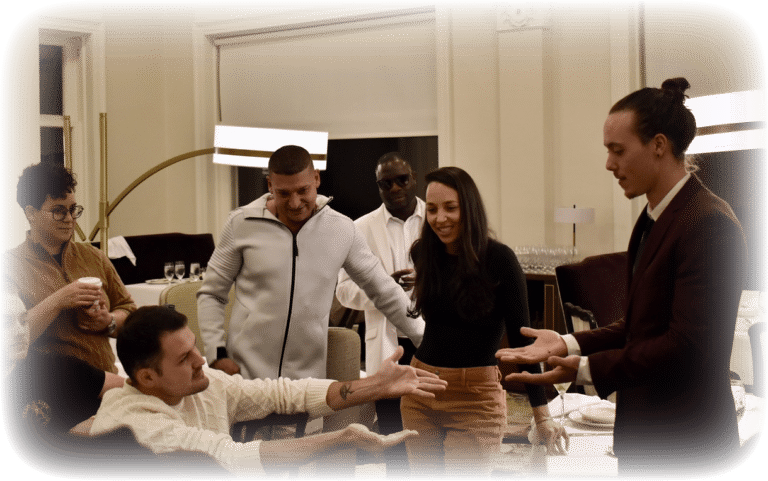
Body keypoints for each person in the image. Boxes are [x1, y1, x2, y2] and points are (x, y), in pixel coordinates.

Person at [496, 78, 748, 478]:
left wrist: (583, 368)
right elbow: (638, 327)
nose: (609, 164)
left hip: (686, 444)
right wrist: (566, 340)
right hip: (645, 436)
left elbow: (686, 347)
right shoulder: (652, 217)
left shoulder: (708, 223)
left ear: (659, 146)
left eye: (618, 150)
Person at [90, 305, 447, 478]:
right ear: (147, 378)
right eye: (185, 357)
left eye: (195, 347)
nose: (202, 361)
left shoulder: (200, 383)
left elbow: (282, 393)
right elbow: (231, 458)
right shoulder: (134, 428)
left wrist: (376, 385)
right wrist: (342, 438)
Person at [198, 145, 424, 382]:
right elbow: (212, 293)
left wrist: (426, 341)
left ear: (316, 179)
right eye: (283, 193)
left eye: (302, 190)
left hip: (308, 382)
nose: (295, 203)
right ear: (270, 186)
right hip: (244, 376)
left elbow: (385, 292)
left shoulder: (341, 229)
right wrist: (216, 353)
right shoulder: (240, 223)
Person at [400, 166, 568, 479]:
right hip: (420, 390)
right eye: (432, 209)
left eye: (451, 208)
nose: (440, 218)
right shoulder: (423, 252)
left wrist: (542, 415)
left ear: (469, 208)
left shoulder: (500, 259)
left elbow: (523, 341)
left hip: (475, 398)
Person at [336, 152, 425, 478]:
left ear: (413, 176)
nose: (396, 188)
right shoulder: (360, 228)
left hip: (433, 336)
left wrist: (429, 281)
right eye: (386, 183)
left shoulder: (438, 218)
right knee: (391, 425)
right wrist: (383, 287)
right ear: (378, 187)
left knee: (432, 418)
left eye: (402, 179)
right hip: (389, 344)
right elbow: (343, 291)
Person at [2, 162, 136, 374]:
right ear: (30, 213)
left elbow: (129, 311)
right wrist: (58, 301)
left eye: (73, 210)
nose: (70, 220)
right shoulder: (9, 267)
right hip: (53, 392)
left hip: (109, 382)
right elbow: (7, 341)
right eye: (58, 211)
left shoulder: (93, 256)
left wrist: (108, 321)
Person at [1, 286, 124, 436]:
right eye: (6, 323)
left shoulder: (49, 365)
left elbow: (131, 390)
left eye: (23, 321)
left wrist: (97, 422)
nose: (20, 332)